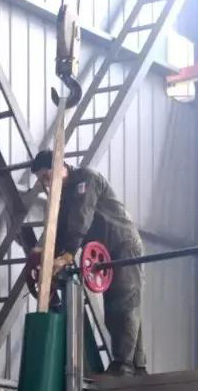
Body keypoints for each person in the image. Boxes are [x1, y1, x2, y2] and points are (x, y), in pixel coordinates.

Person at [30, 149, 147, 376]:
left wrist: (67, 255)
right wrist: (43, 252)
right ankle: (137, 367)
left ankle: (123, 366)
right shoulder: (64, 196)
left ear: (61, 166)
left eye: (46, 176)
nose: (45, 184)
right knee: (121, 305)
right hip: (106, 253)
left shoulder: (86, 180)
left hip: (123, 245)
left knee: (124, 303)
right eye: (41, 180)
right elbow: (60, 229)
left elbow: (80, 218)